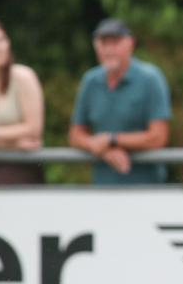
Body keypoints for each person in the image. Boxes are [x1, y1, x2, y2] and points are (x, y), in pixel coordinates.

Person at [69, 18, 171, 184]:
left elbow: (159, 137)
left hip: (147, 189)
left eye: (115, 42)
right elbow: (75, 135)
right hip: (103, 189)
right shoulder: (90, 81)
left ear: (130, 43)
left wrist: (112, 139)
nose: (109, 50)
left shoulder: (150, 79)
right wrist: (102, 149)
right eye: (103, 43)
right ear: (96, 47)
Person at [0, 17, 45, 184]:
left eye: (1, 39)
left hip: (22, 170)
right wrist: (14, 143)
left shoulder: (23, 77)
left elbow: (34, 130)